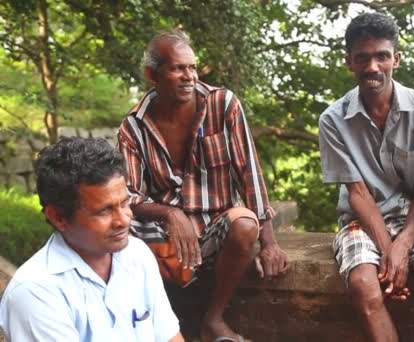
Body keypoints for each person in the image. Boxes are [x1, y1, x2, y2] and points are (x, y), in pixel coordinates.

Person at [117, 29, 289, 342]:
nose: (188, 76)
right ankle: (157, 324)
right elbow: (129, 195)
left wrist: (270, 243)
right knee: (120, 235)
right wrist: (170, 214)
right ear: (151, 74)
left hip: (215, 225)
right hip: (166, 233)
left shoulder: (223, 104)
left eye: (192, 67)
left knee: (245, 224)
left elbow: (249, 172)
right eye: (177, 68)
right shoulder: (134, 126)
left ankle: (213, 319)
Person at [318, 12, 414, 342]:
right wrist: (388, 252)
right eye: (362, 58)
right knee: (364, 286)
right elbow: (358, 192)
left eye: (382, 56)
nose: (372, 67)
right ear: (349, 62)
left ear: (396, 58)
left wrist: (403, 245)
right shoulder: (333, 120)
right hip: (364, 219)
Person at [0, 137, 183, 342]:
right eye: (104, 211)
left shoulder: (137, 255)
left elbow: (169, 336)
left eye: (124, 203)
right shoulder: (35, 292)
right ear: (59, 218)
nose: (124, 220)